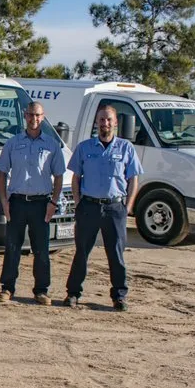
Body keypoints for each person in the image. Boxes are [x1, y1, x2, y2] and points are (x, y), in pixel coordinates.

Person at [63, 105, 143, 311]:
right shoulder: (84, 148)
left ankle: (119, 296)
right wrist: (78, 203)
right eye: (101, 120)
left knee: (116, 254)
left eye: (109, 120)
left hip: (114, 208)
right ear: (96, 122)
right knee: (81, 252)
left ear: (115, 123)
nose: (105, 123)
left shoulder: (126, 148)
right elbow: (76, 178)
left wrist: (127, 207)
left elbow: (133, 180)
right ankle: (73, 293)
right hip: (89, 207)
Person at [0, 101, 65, 305]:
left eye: (38, 115)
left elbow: (59, 176)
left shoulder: (52, 145)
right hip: (17, 202)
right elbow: (2, 172)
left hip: (41, 204)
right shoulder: (13, 143)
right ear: (25, 116)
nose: (34, 119)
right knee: (12, 247)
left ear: (43, 117)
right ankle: (7, 288)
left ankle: (41, 290)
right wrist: (4, 201)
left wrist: (53, 202)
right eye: (31, 115)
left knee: (41, 249)